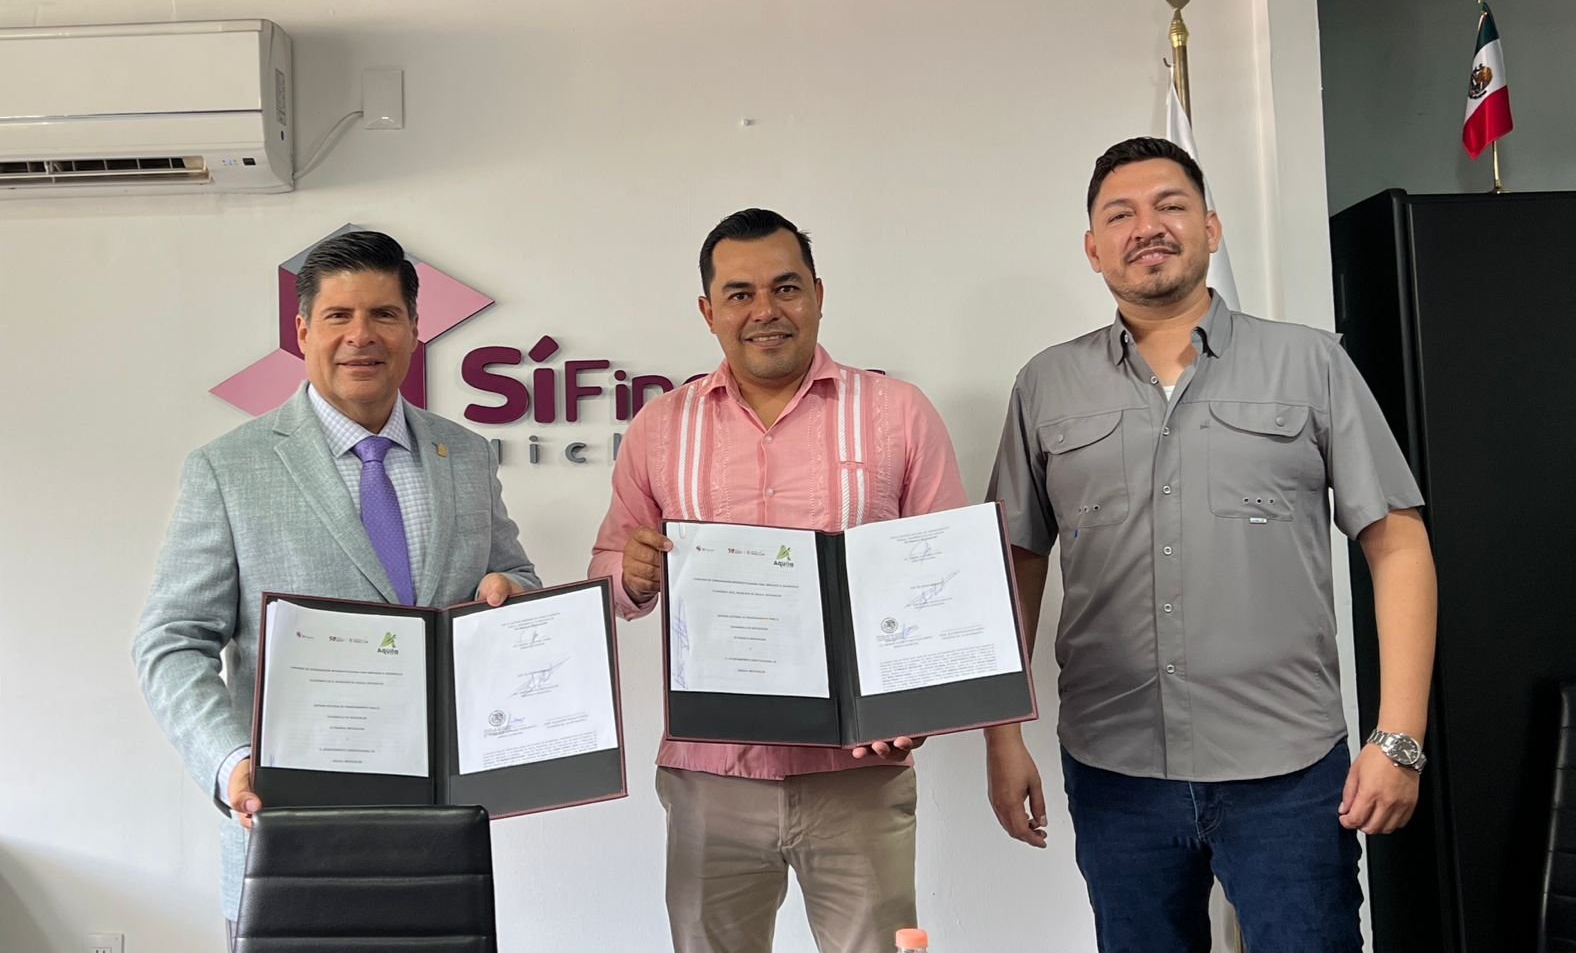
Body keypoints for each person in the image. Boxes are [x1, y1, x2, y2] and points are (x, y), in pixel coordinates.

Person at [984, 137, 1438, 952]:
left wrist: (1398, 736)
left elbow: (1397, 542)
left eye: (1171, 206)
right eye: (1120, 215)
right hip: (1116, 772)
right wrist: (1000, 734)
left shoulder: (1309, 362)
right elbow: (1015, 563)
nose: (1146, 227)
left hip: (1289, 770)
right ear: (1093, 248)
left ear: (1212, 228)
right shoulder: (1046, 384)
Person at [132, 230, 540, 945]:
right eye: (338, 316)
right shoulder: (229, 468)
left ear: (415, 329)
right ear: (301, 332)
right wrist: (231, 762)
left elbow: (517, 577)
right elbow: (171, 642)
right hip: (287, 837)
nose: (362, 336)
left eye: (384, 314)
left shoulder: (467, 455)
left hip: (439, 836)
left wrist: (511, 591)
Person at [588, 208, 967, 953]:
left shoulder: (897, 414)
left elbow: (948, 579)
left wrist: (918, 702)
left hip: (857, 770)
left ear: (818, 294)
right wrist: (630, 575)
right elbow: (607, 574)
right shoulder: (660, 427)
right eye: (740, 293)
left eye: (786, 287)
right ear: (709, 312)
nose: (765, 310)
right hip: (711, 776)